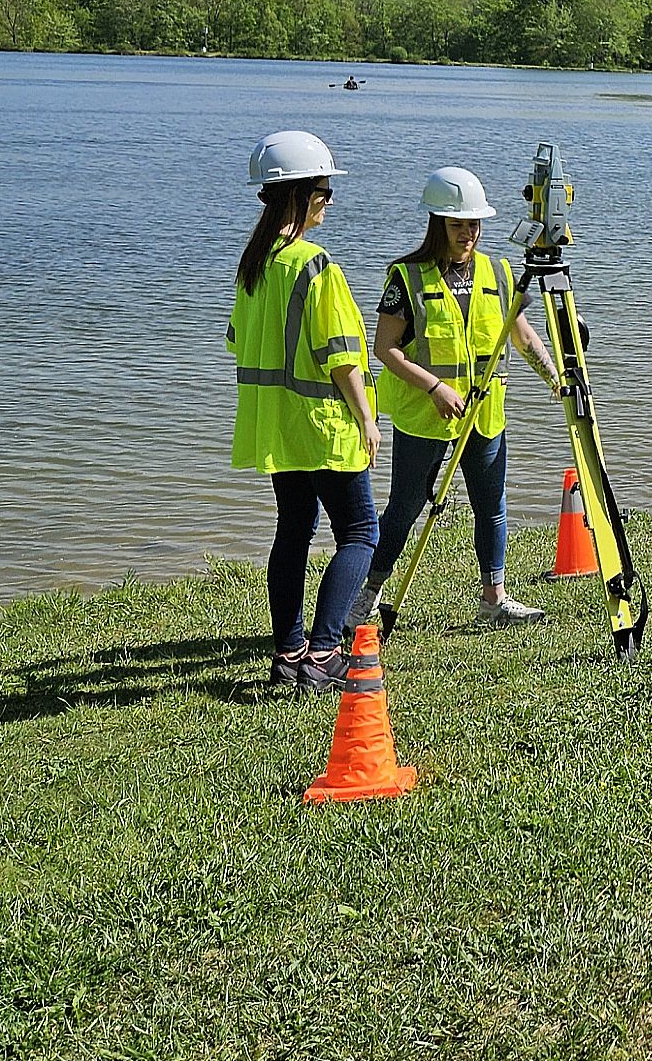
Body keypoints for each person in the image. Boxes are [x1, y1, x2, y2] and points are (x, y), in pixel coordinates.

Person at [355, 166, 562, 626]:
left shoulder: (500, 271)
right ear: (437, 223)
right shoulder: (406, 277)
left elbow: (522, 335)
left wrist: (554, 379)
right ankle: (367, 593)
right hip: (425, 414)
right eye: (457, 224)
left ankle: (495, 598)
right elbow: (384, 348)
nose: (467, 233)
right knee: (405, 508)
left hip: (484, 414)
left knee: (492, 505)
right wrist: (434, 386)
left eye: (473, 223)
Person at [228, 130, 378, 692]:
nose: (329, 200)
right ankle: (323, 652)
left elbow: (238, 342)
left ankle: (289, 653)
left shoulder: (255, 265)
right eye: (324, 190)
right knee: (362, 532)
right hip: (323, 424)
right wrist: (366, 418)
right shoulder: (315, 265)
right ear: (299, 194)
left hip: (276, 426)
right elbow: (340, 355)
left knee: (293, 530)